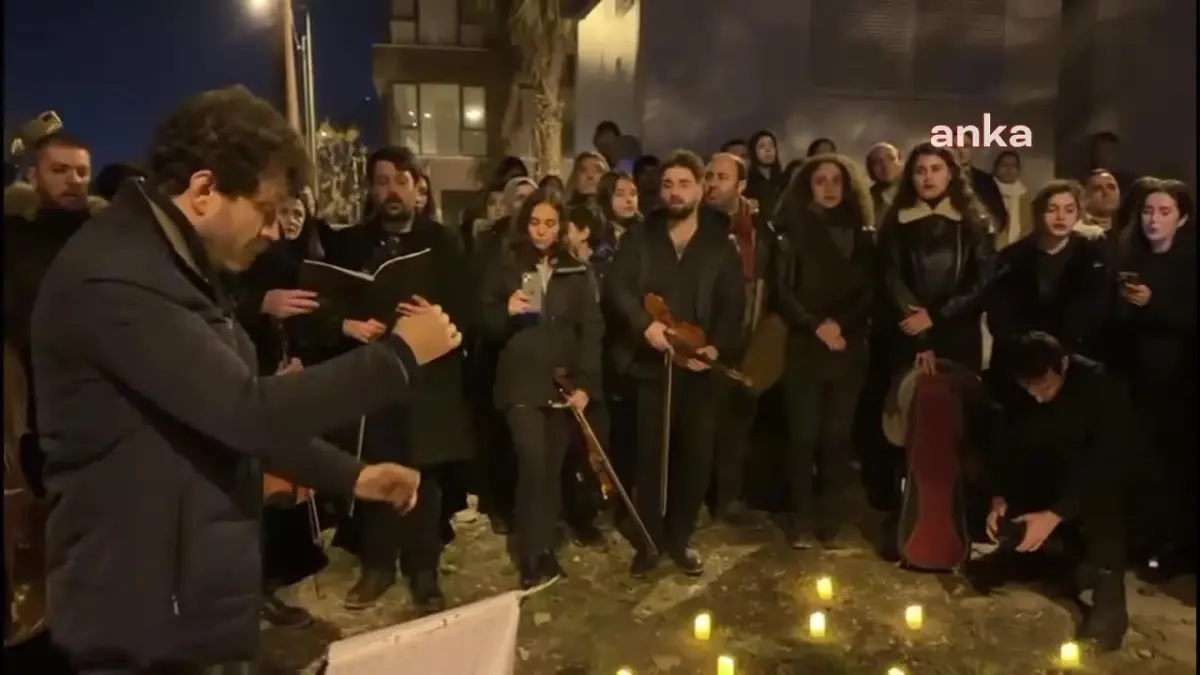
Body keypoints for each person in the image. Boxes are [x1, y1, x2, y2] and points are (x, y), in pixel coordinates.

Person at [30, 86, 462, 674]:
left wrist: (351, 474)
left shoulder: (175, 264)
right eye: (265, 209)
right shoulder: (117, 278)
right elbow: (244, 409)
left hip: (188, 599)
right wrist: (399, 356)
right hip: (140, 619)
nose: (272, 229)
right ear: (205, 191)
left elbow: (224, 415)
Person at [319, 146, 474, 614]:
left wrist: (439, 315)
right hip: (371, 374)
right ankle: (378, 565)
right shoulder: (351, 243)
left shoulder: (444, 242)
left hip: (429, 379)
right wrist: (348, 325)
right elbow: (328, 300)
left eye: (401, 181)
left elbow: (469, 306)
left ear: (417, 188)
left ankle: (423, 570)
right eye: (383, 181)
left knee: (423, 476)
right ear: (371, 188)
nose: (392, 190)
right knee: (374, 469)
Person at [605, 149, 745, 579]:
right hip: (651, 365)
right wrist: (643, 326)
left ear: (702, 189)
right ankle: (649, 539)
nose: (675, 191)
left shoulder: (721, 242)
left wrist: (716, 348)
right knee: (650, 456)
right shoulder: (640, 238)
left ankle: (681, 537)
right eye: (668, 184)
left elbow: (732, 303)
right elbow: (617, 290)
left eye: (684, 183)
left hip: (699, 367)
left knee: (695, 456)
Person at [976, 332, 1132, 652]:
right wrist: (1000, 497)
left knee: (1105, 504)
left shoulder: (1100, 387)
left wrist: (1056, 513)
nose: (1038, 397)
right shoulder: (1020, 389)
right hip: (1048, 474)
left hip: (1097, 483)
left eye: (1045, 387)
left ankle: (1109, 602)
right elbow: (1007, 444)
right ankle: (1031, 557)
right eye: (1029, 389)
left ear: (1062, 364)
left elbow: (1110, 458)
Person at [479, 188, 604, 588]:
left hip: (562, 381)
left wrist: (586, 383)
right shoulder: (505, 264)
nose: (542, 231)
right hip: (520, 381)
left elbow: (590, 330)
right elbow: (483, 324)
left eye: (550, 223)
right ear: (524, 223)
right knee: (532, 462)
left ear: (561, 226)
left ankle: (544, 545)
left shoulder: (576, 271)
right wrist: (506, 312)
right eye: (535, 222)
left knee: (551, 466)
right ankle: (530, 553)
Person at [772, 154, 876, 549]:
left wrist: (840, 327)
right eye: (821, 180)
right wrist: (816, 325)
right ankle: (801, 515)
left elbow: (869, 289)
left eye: (837, 180)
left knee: (836, 437)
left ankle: (829, 516)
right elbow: (780, 290)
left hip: (848, 347)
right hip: (804, 343)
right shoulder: (788, 231)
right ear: (807, 186)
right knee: (802, 435)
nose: (830, 187)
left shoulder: (864, 234)